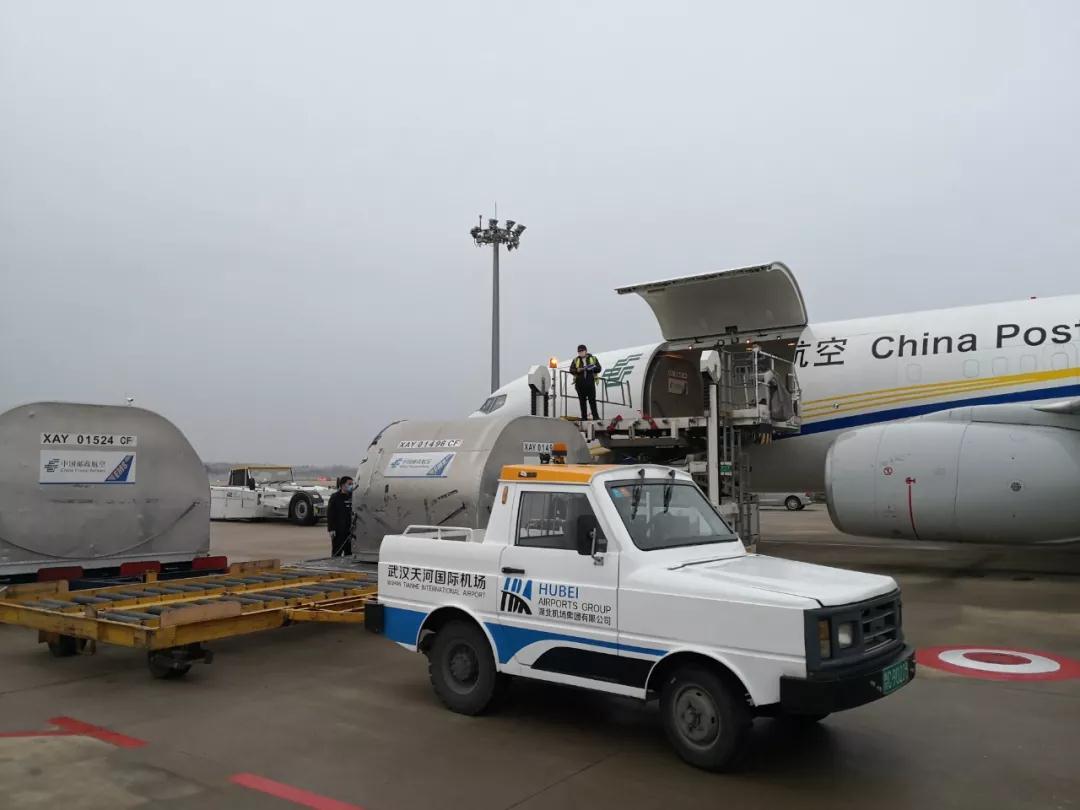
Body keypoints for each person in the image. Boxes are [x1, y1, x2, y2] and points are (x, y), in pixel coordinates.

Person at [569, 344, 602, 420]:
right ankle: (584, 417)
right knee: (582, 401)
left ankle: (595, 416)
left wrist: (591, 368)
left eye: (582, 351)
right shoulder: (576, 360)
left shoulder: (593, 358)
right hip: (580, 384)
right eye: (579, 351)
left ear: (586, 351)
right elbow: (571, 370)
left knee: (592, 400)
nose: (580, 352)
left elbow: (599, 368)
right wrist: (577, 370)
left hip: (590, 383)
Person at [327, 476, 354, 556]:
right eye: (349, 484)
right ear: (342, 485)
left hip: (350, 531)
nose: (351, 486)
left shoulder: (353, 496)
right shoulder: (335, 497)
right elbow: (330, 514)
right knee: (337, 552)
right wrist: (331, 529)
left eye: (352, 484)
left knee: (349, 553)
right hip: (338, 531)